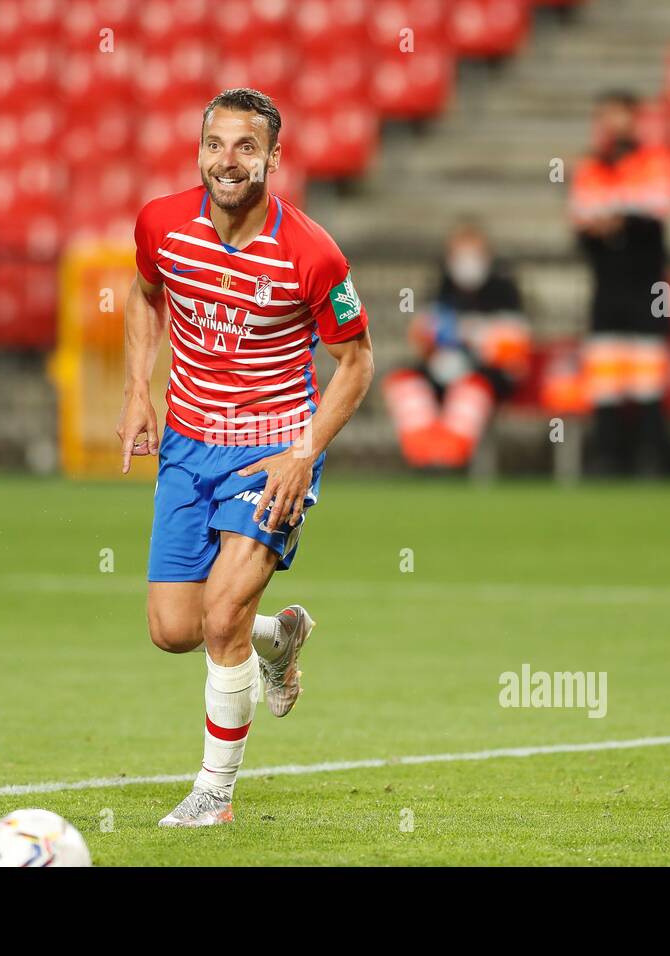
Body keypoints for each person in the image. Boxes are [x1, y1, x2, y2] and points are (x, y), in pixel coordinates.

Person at [117, 88, 374, 827]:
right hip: (188, 443)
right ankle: (281, 637)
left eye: (245, 147)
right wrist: (140, 388)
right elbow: (143, 296)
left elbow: (355, 365)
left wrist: (305, 451)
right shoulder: (162, 225)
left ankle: (213, 794)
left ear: (273, 158)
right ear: (199, 149)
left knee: (223, 612)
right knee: (175, 628)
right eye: (215, 145)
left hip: (272, 449)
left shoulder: (312, 253)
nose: (226, 162)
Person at [570, 89, 670, 476]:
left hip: (645, 287)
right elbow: (583, 224)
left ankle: (652, 461)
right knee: (605, 378)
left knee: (648, 378)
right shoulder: (591, 167)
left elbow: (657, 212)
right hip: (607, 287)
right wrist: (615, 218)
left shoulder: (655, 161)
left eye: (618, 116)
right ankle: (607, 461)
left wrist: (616, 219)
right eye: (605, 117)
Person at [383, 222, 530, 469]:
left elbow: (513, 345)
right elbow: (422, 333)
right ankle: (423, 454)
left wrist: (467, 333)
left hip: (488, 371)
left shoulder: (504, 288)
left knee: (469, 390)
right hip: (445, 366)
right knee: (405, 381)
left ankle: (450, 459)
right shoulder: (442, 286)